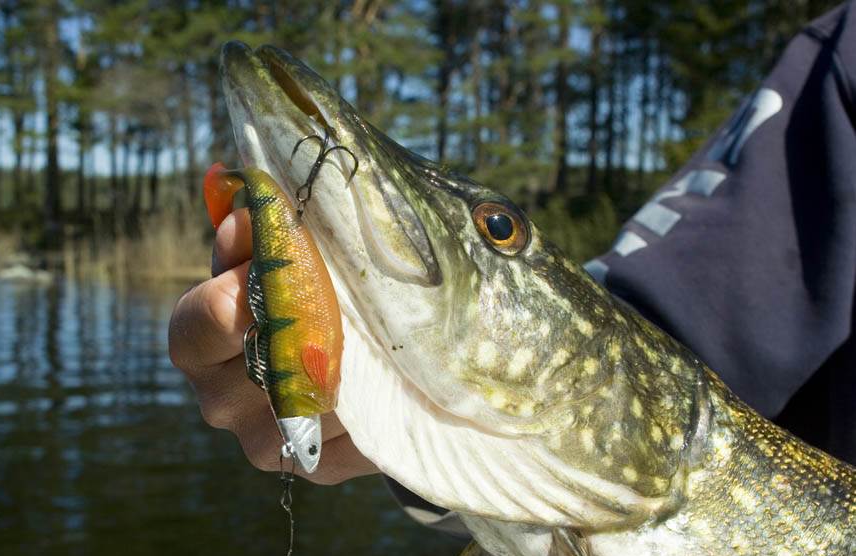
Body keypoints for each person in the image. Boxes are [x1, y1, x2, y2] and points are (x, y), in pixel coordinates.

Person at [167, 2, 855, 504]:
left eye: (498, 230)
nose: (499, 231)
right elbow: (657, 341)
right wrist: (407, 444)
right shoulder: (843, 69)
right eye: (501, 230)